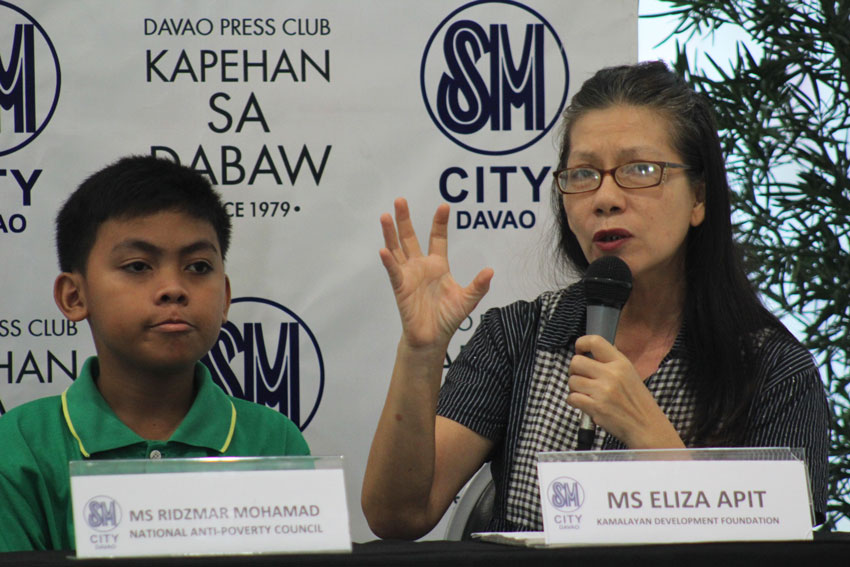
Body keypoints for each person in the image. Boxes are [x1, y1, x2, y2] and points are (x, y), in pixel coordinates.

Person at [361, 61, 829, 538]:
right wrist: (421, 353)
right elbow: (398, 516)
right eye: (583, 174)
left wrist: (650, 434)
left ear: (698, 198)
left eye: (640, 170)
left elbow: (779, 551)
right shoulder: (519, 338)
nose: (605, 197)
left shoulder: (772, 371)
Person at [0, 156, 310, 552]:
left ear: (226, 298)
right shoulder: (19, 447)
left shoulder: (274, 441)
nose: (173, 289)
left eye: (198, 267)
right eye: (138, 266)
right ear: (74, 296)